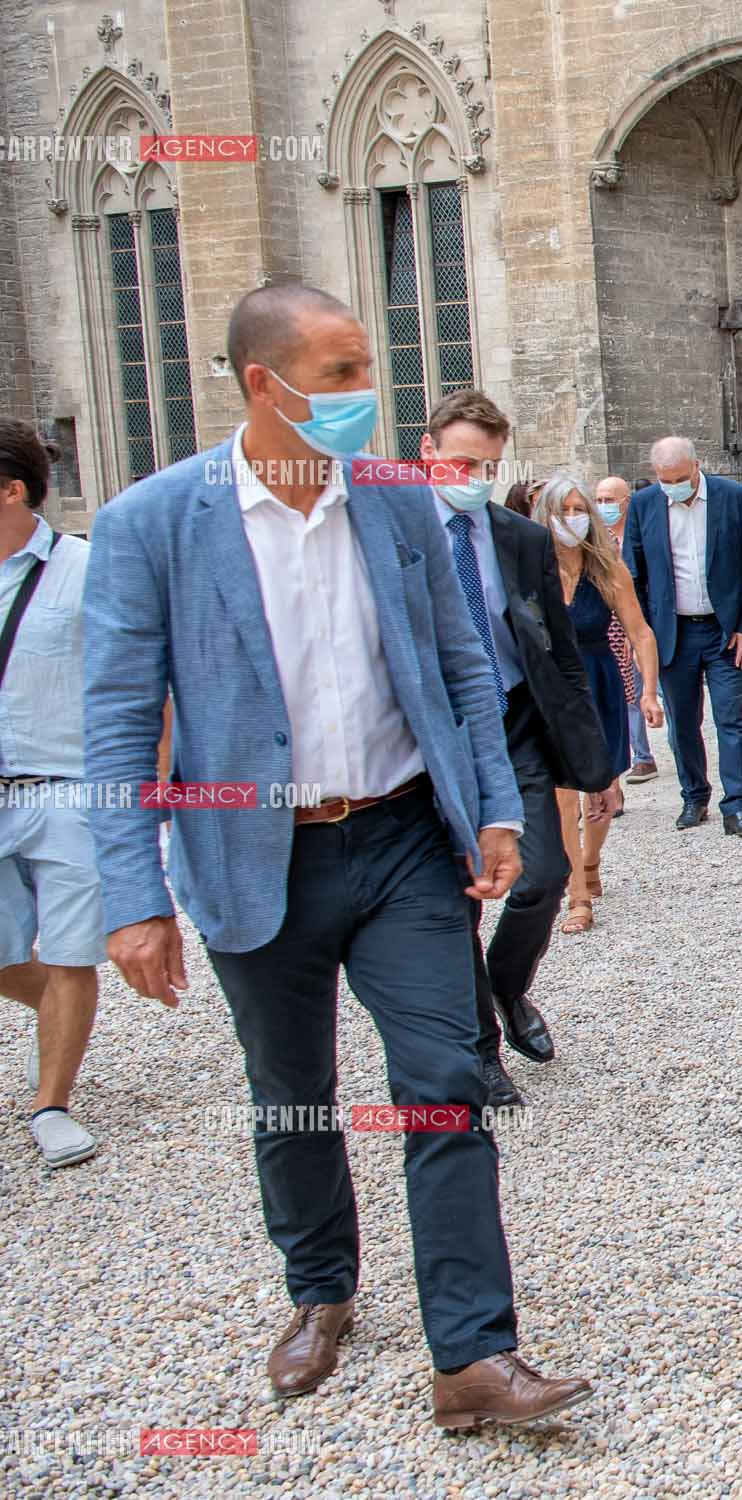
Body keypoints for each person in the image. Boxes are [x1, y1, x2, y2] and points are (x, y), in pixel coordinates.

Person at [82, 283, 591, 1428]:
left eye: (369, 369)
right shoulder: (153, 524)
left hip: (406, 838)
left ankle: (472, 1355)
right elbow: (116, 722)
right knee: (293, 1094)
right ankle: (320, 1291)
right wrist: (132, 898)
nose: (370, 395)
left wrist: (497, 809)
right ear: (266, 384)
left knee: (444, 1081)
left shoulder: (399, 505)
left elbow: (463, 664)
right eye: (345, 374)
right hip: (255, 853)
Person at [421, 391, 616, 1111]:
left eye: (489, 464)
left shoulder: (521, 540)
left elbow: (560, 656)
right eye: (463, 461)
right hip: (434, 741)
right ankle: (478, 1047)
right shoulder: (395, 535)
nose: (474, 475)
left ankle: (508, 986)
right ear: (429, 452)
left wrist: (596, 765)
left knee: (544, 874)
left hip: (513, 722)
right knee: (454, 900)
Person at [0, 419, 102, 1168]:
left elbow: (134, 681)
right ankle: (61, 1017)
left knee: (70, 951)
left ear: (12, 490)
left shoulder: (86, 569)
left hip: (72, 791)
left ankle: (52, 1102)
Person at [623, 437, 742, 836]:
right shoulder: (644, 504)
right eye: (666, 480)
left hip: (724, 633)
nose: (674, 486)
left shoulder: (732, 497)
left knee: (730, 718)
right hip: (673, 633)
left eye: (681, 478)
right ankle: (694, 795)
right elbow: (631, 573)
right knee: (682, 721)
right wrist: (641, 636)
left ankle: (737, 806)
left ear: (697, 466)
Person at [539, 473, 662, 934]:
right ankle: (577, 891)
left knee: (602, 788)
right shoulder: (533, 571)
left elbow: (640, 632)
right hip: (551, 688)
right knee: (561, 791)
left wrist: (648, 691)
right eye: (562, 510)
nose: (572, 519)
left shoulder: (608, 569)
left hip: (599, 682)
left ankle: (590, 860)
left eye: (578, 509)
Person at [596, 474, 657, 783]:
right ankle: (641, 756)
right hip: (607, 629)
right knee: (623, 695)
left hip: (640, 623)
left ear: (626, 501)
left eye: (610, 500)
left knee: (650, 692)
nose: (604, 506)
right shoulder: (598, 543)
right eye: (600, 500)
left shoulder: (640, 537)